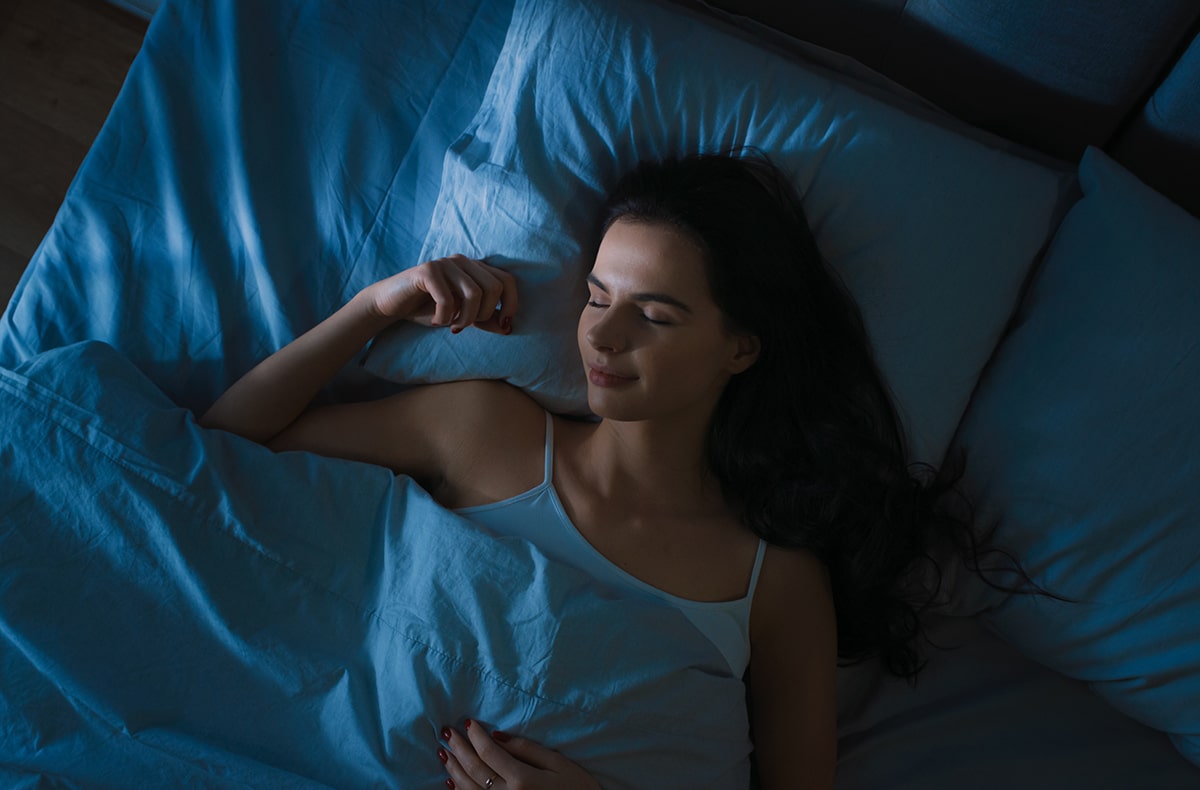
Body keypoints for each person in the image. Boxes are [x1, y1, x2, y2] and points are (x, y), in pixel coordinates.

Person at [201, 151, 1013, 789]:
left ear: (741, 347)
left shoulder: (778, 584)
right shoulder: (483, 430)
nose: (604, 336)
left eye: (654, 315)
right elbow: (216, 448)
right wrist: (375, 308)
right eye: (595, 298)